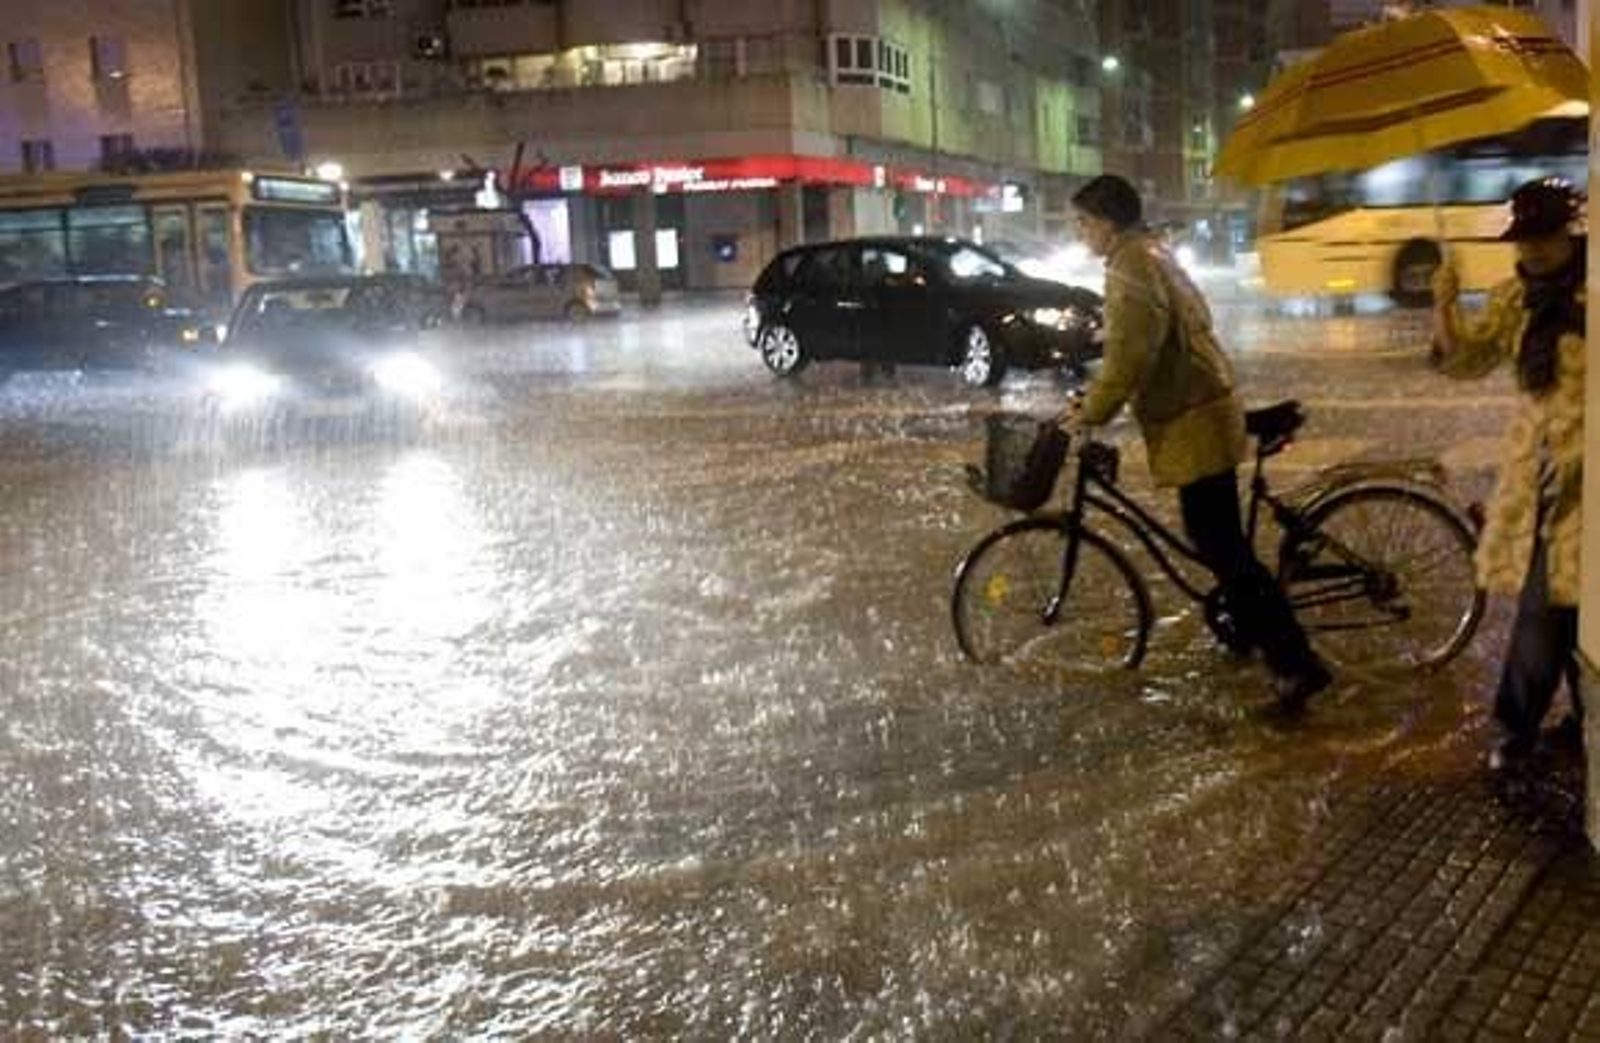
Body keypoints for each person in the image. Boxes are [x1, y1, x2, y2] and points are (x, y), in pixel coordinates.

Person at [1060, 174, 1332, 709]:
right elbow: (1150, 335)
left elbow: (1133, 355)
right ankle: (1253, 630)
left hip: (1195, 420)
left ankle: (1296, 664)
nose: (1080, 233)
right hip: (1205, 408)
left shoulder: (1132, 266)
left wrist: (1091, 410)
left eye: (1084, 222)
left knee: (1223, 548)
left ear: (1109, 223)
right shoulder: (1151, 253)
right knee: (1219, 542)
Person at [1429, 177, 1587, 771]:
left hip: (1588, 479)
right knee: (1563, 603)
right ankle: (1566, 724)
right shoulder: (1511, 300)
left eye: (1544, 235)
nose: (1533, 250)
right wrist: (1443, 303)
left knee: (1551, 606)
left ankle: (1519, 730)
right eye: (1523, 238)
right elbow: (1465, 362)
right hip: (1536, 478)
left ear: (1568, 230)